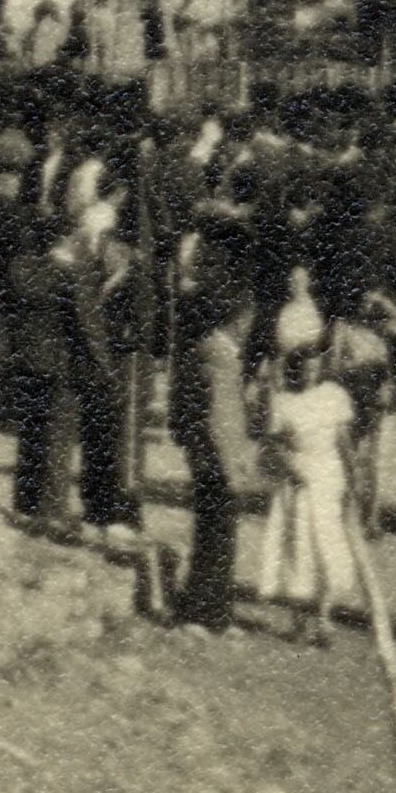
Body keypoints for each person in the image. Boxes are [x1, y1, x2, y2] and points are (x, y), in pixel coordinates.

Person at [166, 253, 259, 630]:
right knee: (218, 537)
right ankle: (208, 611)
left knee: (211, 532)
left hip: (203, 454)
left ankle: (209, 608)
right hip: (218, 458)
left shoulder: (200, 350)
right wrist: (234, 464)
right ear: (233, 318)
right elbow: (220, 421)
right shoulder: (221, 360)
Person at [255, 326, 360, 646]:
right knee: (298, 546)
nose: (309, 373)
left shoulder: (334, 396)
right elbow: (272, 444)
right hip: (298, 477)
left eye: (315, 367)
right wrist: (291, 467)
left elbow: (343, 441)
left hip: (329, 474)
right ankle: (300, 621)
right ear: (294, 369)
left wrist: (355, 478)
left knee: (327, 545)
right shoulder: (283, 402)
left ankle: (325, 619)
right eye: (304, 368)